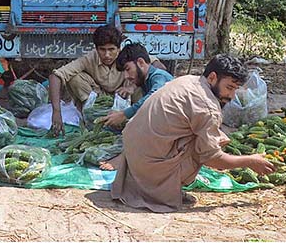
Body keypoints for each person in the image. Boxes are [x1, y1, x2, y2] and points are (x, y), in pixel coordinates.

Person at [110, 54, 276, 212]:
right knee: (204, 148)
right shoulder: (208, 107)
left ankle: (150, 184)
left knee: (210, 138)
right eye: (229, 88)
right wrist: (249, 161)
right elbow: (212, 159)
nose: (232, 96)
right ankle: (160, 192)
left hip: (133, 156)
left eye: (235, 89)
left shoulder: (188, 80)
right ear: (212, 77)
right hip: (147, 165)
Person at [48, 25, 166, 136]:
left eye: (111, 49)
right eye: (102, 50)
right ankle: (93, 117)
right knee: (74, 77)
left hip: (125, 98)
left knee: (139, 78)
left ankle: (136, 120)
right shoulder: (90, 58)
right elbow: (56, 76)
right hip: (100, 98)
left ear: (119, 48)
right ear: (96, 48)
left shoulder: (129, 55)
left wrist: (132, 87)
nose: (107, 55)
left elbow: (158, 68)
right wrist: (57, 112)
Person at [102, 43, 173, 128]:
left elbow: (153, 96)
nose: (126, 76)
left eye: (128, 69)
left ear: (140, 63)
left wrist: (124, 114)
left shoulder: (159, 76)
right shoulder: (145, 81)